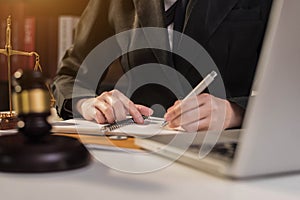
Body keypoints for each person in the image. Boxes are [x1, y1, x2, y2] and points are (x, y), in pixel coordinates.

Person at [52, 0, 273, 131]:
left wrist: (237, 112)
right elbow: (70, 74)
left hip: (232, 146)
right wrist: (88, 104)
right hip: (140, 150)